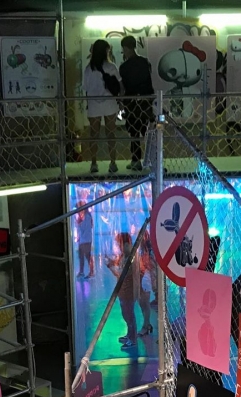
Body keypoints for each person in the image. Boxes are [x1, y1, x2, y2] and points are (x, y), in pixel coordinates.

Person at [83, 39, 121, 175]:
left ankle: (94, 163)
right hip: (110, 103)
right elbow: (119, 84)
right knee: (111, 133)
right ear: (106, 51)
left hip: (93, 104)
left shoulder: (89, 69)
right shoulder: (111, 67)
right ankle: (113, 162)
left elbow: (85, 88)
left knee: (94, 134)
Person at [119, 36, 154, 171]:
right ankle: (152, 160)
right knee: (148, 132)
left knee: (134, 132)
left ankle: (136, 160)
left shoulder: (124, 67)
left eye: (123, 49)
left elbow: (124, 86)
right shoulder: (145, 62)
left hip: (132, 103)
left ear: (126, 48)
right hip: (145, 102)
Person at [106, 232, 139, 349]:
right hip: (123, 290)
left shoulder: (130, 258)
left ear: (126, 244)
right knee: (126, 313)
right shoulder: (125, 256)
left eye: (119, 244)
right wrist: (111, 262)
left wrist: (110, 267)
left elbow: (121, 274)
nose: (118, 247)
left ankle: (133, 339)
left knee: (129, 314)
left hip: (128, 291)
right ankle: (130, 335)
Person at [76, 203, 94, 279]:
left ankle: (91, 272)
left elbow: (85, 229)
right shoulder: (81, 217)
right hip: (82, 240)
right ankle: (81, 271)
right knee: (81, 256)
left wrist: (79, 224)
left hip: (86, 240)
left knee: (88, 256)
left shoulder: (87, 217)